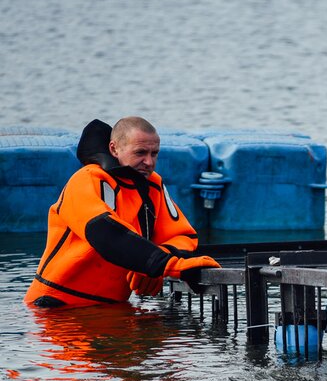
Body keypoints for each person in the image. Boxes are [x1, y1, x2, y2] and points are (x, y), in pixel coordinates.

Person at [24, 117, 219, 308]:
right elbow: (104, 233)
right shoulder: (86, 180)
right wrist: (164, 264)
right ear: (114, 149)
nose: (149, 162)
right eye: (141, 152)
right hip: (56, 306)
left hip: (112, 307)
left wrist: (154, 261)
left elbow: (183, 235)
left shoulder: (153, 185)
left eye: (155, 153)